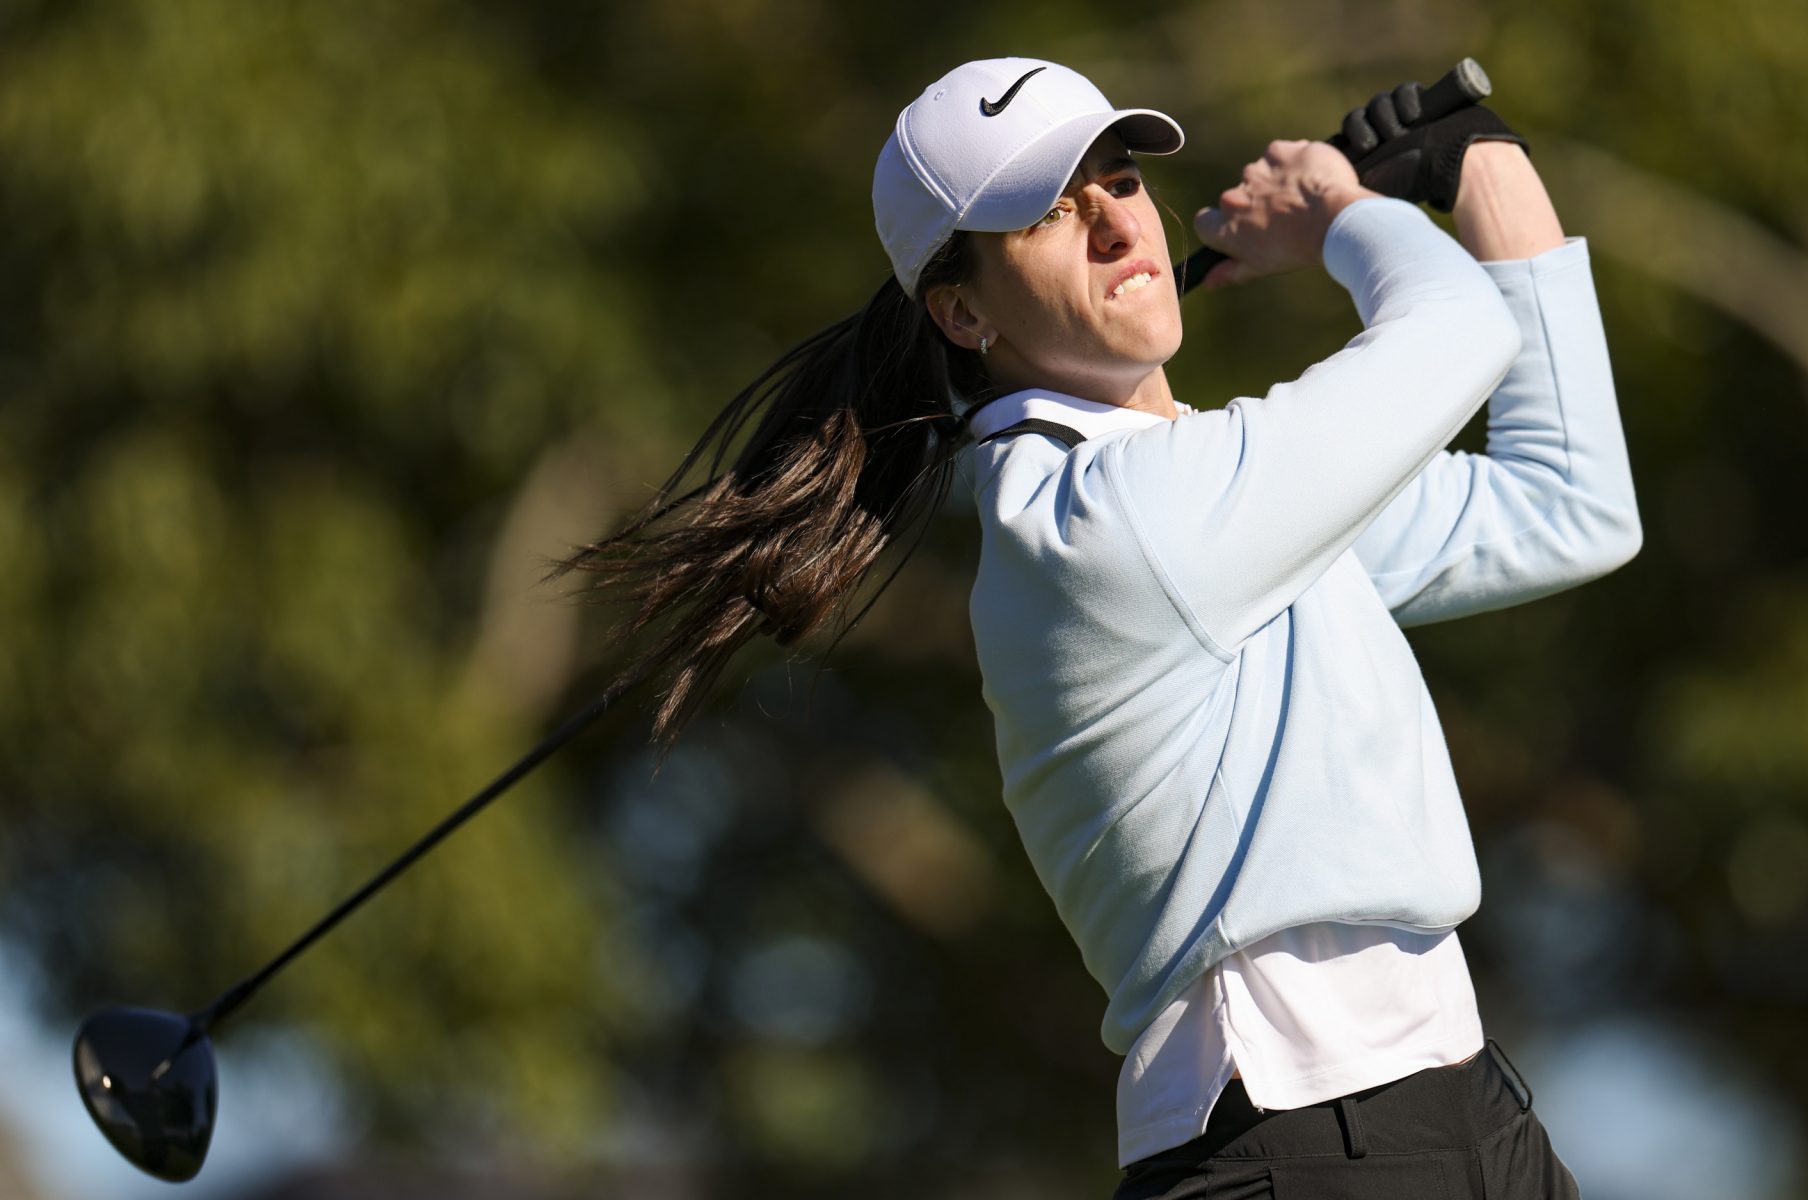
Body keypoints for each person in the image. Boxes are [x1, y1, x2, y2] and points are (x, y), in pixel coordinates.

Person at [554, 55, 1637, 1199]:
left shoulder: (1208, 499)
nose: (1118, 225)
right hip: (1309, 1143)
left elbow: (1569, 505)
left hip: (1457, 1107)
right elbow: (1457, 329)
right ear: (963, 311)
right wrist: (1336, 213)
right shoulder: (1114, 521)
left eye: (1120, 181)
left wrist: (1479, 168)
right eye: (1050, 215)